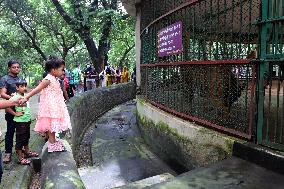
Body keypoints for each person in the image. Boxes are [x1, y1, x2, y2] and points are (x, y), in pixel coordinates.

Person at [19, 56, 71, 152]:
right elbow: (37, 89)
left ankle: (54, 140)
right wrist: (26, 97)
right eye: (61, 69)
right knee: (50, 125)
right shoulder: (48, 79)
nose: (63, 72)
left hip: (55, 106)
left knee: (54, 124)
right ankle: (51, 144)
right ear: (53, 70)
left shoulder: (54, 78)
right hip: (50, 107)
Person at [6, 79, 39, 165]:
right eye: (22, 86)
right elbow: (7, 107)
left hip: (27, 120)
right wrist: (15, 113)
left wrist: (26, 90)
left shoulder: (25, 95)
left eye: (25, 86)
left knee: (26, 137)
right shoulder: (14, 97)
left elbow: (32, 91)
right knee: (20, 139)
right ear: (17, 88)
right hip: (20, 122)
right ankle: (20, 158)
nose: (24, 88)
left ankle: (27, 152)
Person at [0, 60, 22, 163]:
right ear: (9, 68)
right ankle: (8, 153)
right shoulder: (5, 79)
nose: (16, 69)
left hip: (22, 108)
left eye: (18, 67)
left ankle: (21, 151)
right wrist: (13, 99)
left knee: (22, 131)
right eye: (14, 67)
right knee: (10, 131)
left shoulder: (20, 79)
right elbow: (3, 94)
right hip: (10, 109)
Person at [0, 98, 22, 182]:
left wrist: (14, 101)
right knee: (10, 133)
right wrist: (14, 100)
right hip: (11, 114)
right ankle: (8, 152)